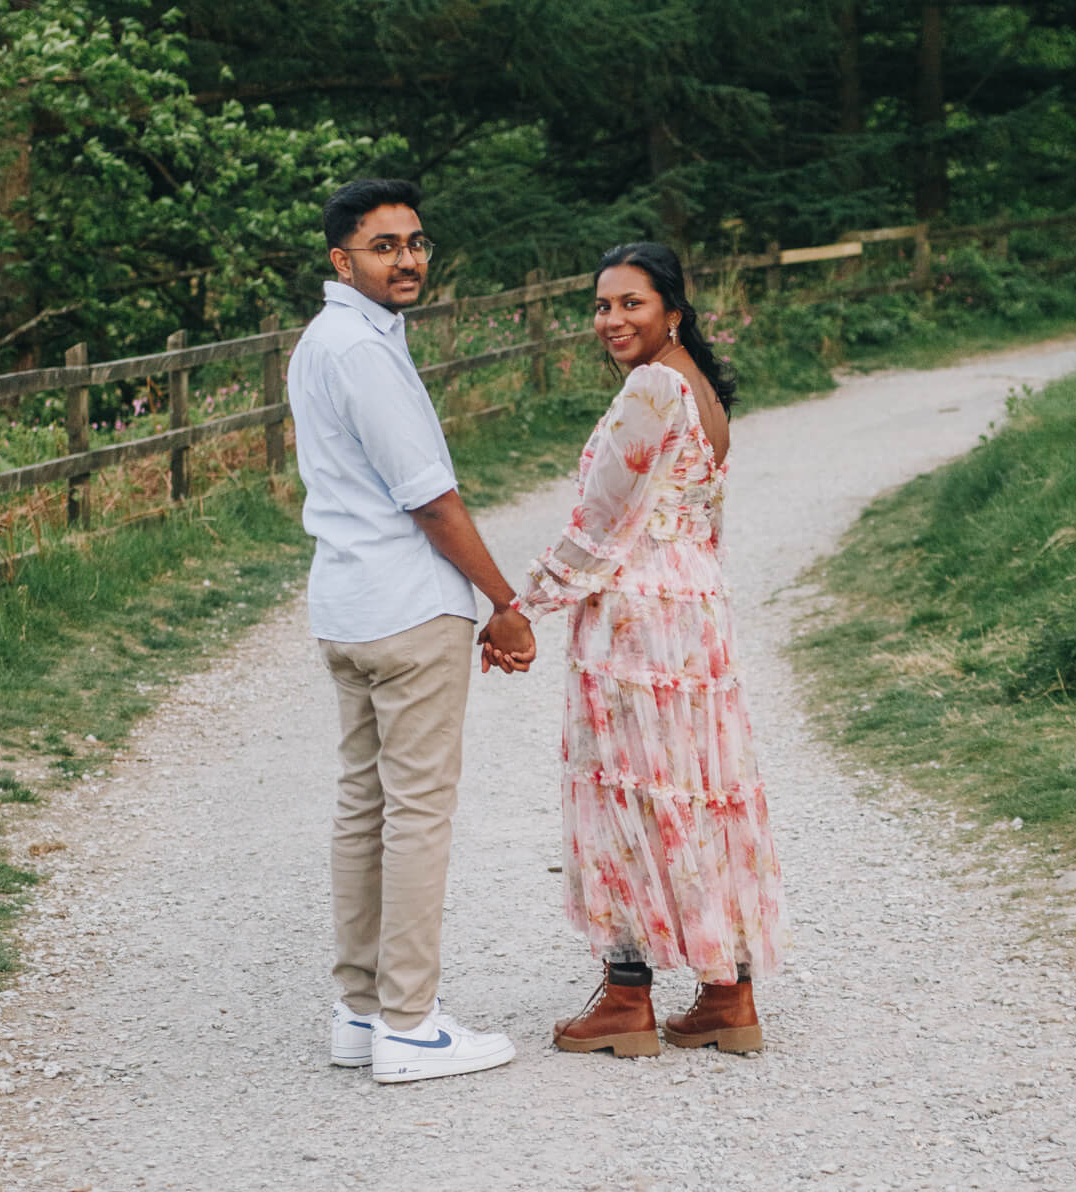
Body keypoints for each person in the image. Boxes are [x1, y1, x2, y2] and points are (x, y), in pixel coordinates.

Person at [500, 241, 786, 1055]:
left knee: (625, 794)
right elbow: (702, 522)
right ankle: (727, 994)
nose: (611, 319)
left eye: (630, 302)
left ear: (673, 311)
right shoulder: (699, 393)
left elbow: (598, 521)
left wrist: (524, 609)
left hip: (636, 612)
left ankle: (627, 998)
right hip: (694, 607)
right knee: (692, 789)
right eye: (600, 305)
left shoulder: (653, 387)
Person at [288, 175, 535, 1084]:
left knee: (366, 807)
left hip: (347, 608)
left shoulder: (325, 341)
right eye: (385, 245)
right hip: (405, 606)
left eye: (417, 242)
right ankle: (410, 1022)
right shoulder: (358, 351)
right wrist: (505, 603)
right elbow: (429, 498)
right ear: (340, 258)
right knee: (416, 815)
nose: (407, 259)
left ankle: (360, 1012)